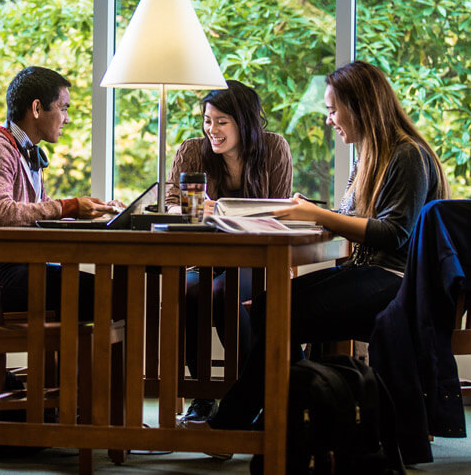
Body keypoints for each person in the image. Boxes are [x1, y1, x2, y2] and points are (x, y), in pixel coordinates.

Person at [189, 60, 449, 443]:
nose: (329, 120)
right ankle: (288, 412)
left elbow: (395, 234)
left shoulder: (406, 154)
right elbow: (352, 220)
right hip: (368, 274)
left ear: (359, 106)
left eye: (332, 109)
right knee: (265, 305)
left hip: (395, 281)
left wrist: (316, 214)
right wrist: (312, 212)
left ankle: (236, 421)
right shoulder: (370, 156)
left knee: (277, 310)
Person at [165, 79, 293, 422]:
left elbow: (281, 209)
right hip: (202, 259)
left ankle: (244, 395)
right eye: (208, 120)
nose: (212, 129)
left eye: (222, 121)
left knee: (224, 292)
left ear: (245, 122)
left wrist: (226, 211)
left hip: (257, 262)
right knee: (190, 290)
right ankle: (203, 396)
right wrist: (191, 213)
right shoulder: (192, 151)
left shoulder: (274, 149)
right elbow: (171, 205)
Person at [0, 66, 123, 320]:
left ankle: (70, 361)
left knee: (115, 294)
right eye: (63, 108)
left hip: (17, 267)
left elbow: (38, 212)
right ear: (36, 109)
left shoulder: (25, 150)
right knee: (113, 295)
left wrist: (92, 212)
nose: (67, 118)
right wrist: (68, 206)